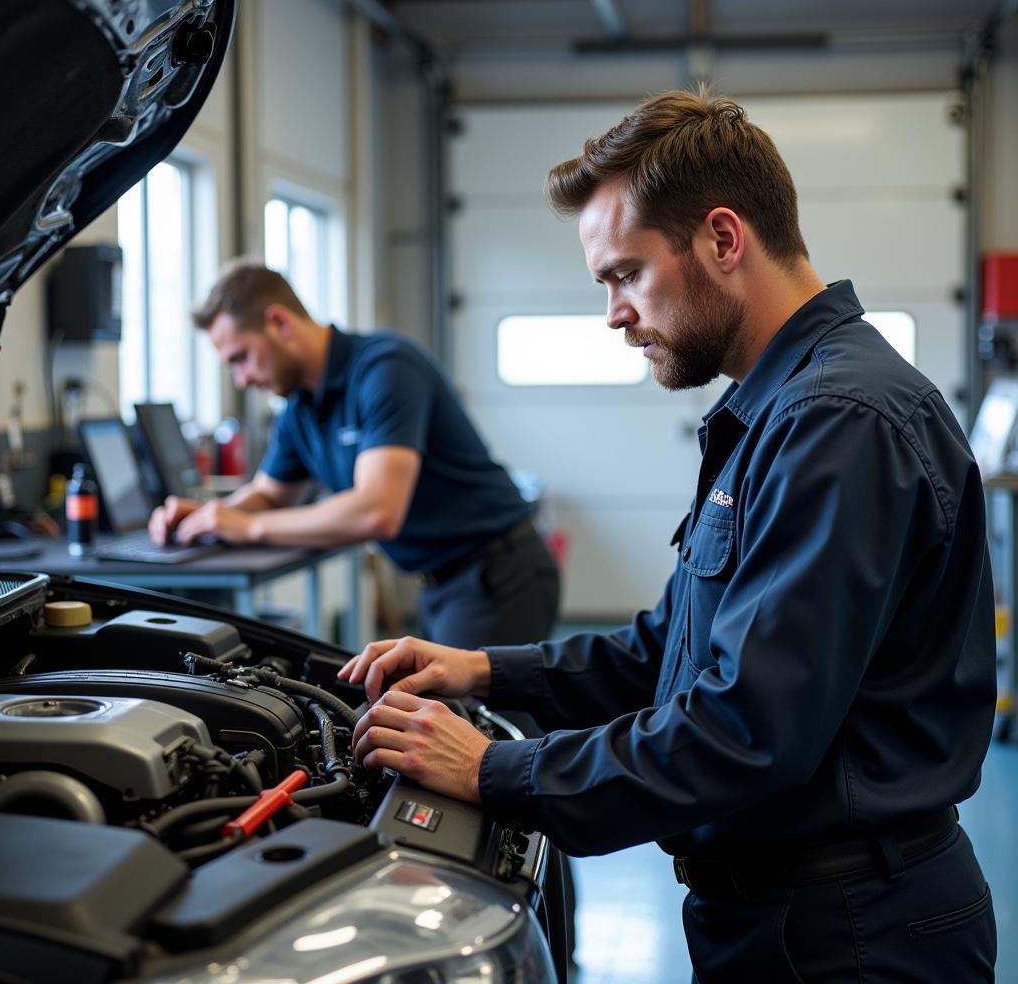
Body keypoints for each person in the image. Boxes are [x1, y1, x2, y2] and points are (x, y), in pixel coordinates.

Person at [338, 88, 998, 982]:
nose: (614, 313)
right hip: (777, 916)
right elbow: (675, 651)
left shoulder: (838, 423)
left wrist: (497, 770)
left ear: (724, 240)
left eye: (625, 275)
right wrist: (484, 669)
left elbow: (741, 730)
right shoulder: (774, 410)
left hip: (848, 936)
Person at [150, 261, 560, 647]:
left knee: (474, 723)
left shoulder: (386, 368)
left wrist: (251, 527)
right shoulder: (299, 407)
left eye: (241, 358)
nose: (242, 379)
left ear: (278, 322)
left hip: (498, 577)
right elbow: (270, 495)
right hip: (439, 584)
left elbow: (377, 511)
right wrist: (208, 519)